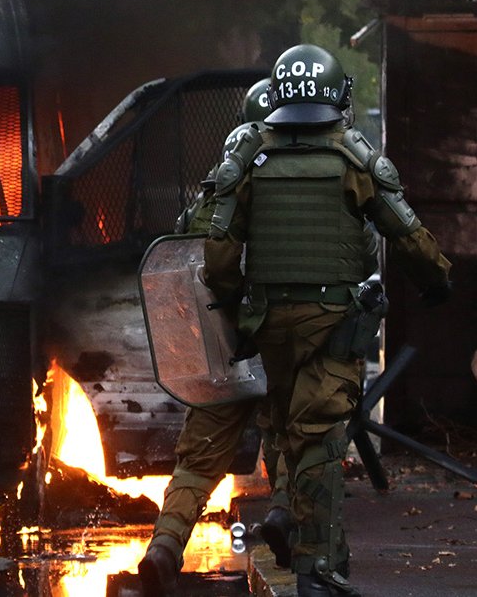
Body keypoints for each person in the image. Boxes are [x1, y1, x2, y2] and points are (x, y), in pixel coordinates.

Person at [202, 44, 451, 597]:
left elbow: (218, 256)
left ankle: (288, 522)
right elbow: (407, 234)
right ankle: (318, 570)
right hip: (332, 322)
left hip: (268, 322)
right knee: (319, 438)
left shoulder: (249, 156)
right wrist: (438, 280)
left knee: (285, 425)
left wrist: (237, 308)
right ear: (337, 92)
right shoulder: (352, 157)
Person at [141, 77, 299, 597]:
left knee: (197, 462)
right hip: (279, 341)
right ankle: (284, 518)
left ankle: (165, 547)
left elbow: (186, 257)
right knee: (289, 436)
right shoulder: (304, 181)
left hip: (222, 347)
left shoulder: (221, 183)